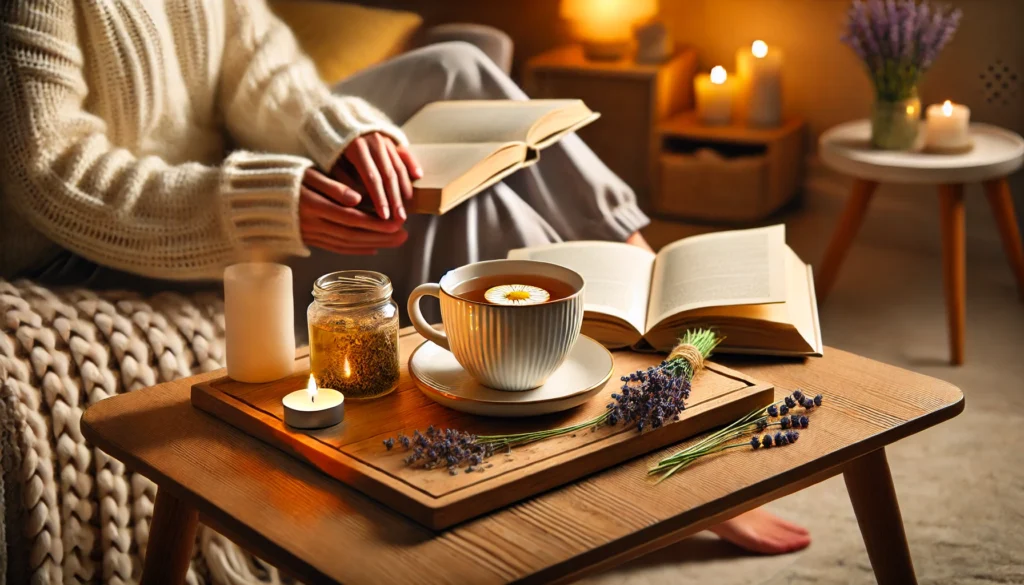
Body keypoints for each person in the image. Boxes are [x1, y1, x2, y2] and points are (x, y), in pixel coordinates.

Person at [0, 0, 809, 556]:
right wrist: (259, 202)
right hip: (112, 239)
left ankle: (650, 290)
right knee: (450, 213)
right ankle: (650, 435)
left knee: (458, 65)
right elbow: (51, 174)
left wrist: (343, 133)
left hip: (218, 169)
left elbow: (258, 67)